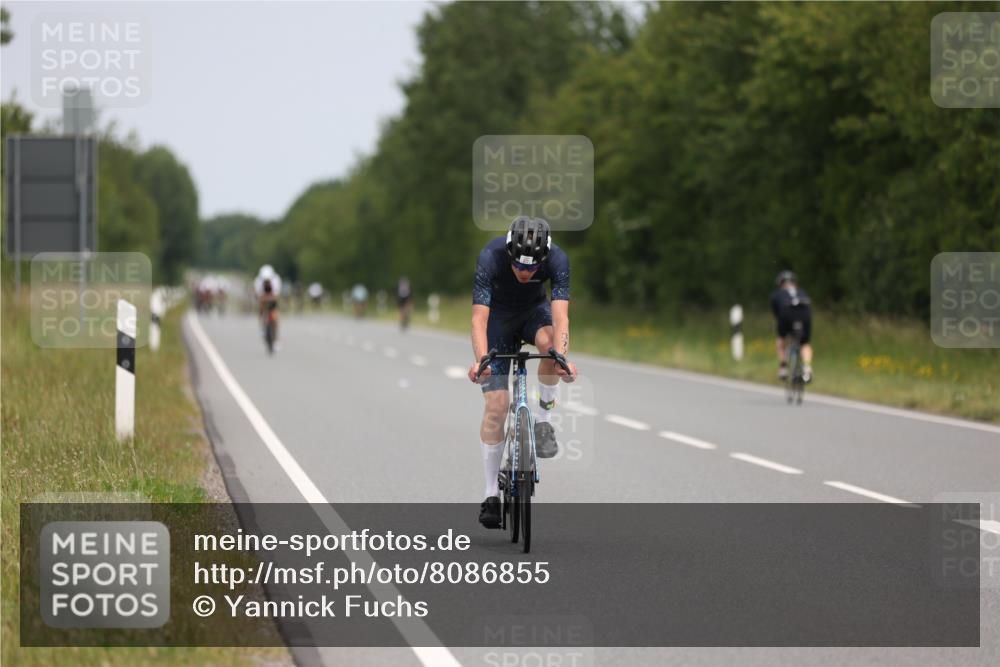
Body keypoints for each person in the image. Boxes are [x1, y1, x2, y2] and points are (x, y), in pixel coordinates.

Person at [467, 216, 577, 528]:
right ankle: (490, 495)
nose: (525, 272)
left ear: (543, 258)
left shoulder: (558, 259)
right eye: (519, 265)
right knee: (497, 405)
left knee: (550, 346)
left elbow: (562, 317)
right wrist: (481, 362)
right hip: (497, 319)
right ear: (509, 251)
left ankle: (543, 423)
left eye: (532, 268)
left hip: (533, 313)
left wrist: (562, 357)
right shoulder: (491, 256)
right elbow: (478, 319)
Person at [771, 270, 813, 383]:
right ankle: (807, 367)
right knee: (805, 343)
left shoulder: (777, 294)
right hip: (804, 313)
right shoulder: (801, 291)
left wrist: (782, 329)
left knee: (781, 339)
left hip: (786, 313)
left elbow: (776, 315)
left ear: (780, 284)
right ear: (795, 283)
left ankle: (783, 366)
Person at [258, 277, 279, 349]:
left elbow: (276, 299)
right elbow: (261, 301)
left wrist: (270, 298)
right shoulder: (262, 289)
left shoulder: (274, 287)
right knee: (262, 313)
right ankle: (263, 328)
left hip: (272, 308)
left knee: (275, 320)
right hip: (265, 309)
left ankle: (275, 338)